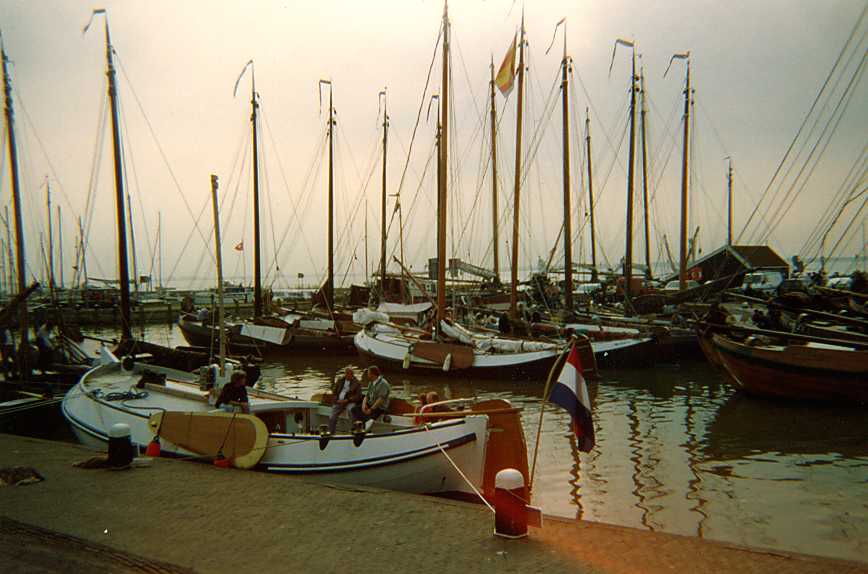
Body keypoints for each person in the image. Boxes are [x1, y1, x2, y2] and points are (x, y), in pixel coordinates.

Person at [328, 367, 361, 434]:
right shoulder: (340, 380)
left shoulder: (357, 383)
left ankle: (353, 430)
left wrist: (347, 400)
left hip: (349, 402)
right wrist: (336, 400)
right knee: (332, 416)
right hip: (339, 402)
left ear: (352, 375)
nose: (346, 375)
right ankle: (331, 433)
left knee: (351, 411)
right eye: (346, 374)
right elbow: (334, 392)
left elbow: (358, 396)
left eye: (349, 374)